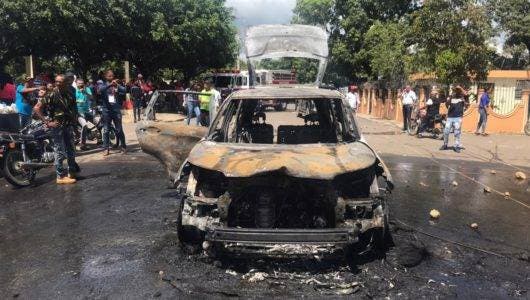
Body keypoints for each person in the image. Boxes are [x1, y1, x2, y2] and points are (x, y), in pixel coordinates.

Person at [34, 74, 80, 184]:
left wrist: (76, 128)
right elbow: (36, 108)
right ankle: (60, 176)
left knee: (71, 150)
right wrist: (48, 122)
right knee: (59, 151)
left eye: (60, 81)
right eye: (56, 81)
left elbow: (74, 112)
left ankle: (71, 172)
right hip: (57, 127)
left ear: (66, 83)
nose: (58, 83)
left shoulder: (70, 94)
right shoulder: (51, 95)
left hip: (68, 126)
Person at [97, 70, 127, 156]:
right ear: (106, 77)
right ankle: (106, 148)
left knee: (119, 129)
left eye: (112, 76)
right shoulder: (102, 85)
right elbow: (100, 90)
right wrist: (110, 85)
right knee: (106, 130)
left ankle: (123, 146)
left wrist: (117, 85)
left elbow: (124, 90)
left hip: (116, 110)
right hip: (106, 111)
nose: (112, 78)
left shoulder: (116, 85)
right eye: (110, 76)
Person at [441, 86, 469, 153]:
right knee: (446, 131)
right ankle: (445, 144)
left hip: (458, 117)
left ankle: (456, 146)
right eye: (456, 90)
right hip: (450, 117)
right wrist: (449, 99)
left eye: (458, 90)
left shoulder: (463, 97)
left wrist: (461, 88)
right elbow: (447, 104)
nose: (457, 91)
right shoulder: (452, 97)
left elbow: (466, 94)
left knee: (457, 132)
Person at [75, 78, 93, 150]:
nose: (81, 85)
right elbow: (72, 101)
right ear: (76, 83)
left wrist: (85, 92)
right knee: (84, 125)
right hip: (78, 112)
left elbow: (91, 97)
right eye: (79, 83)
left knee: (97, 124)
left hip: (88, 111)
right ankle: (83, 144)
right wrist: (78, 101)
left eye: (82, 83)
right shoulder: (74, 91)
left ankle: (100, 140)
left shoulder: (87, 89)